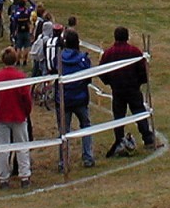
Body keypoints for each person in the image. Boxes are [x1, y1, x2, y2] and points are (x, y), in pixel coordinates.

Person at [99, 27, 155, 157]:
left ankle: (119, 141)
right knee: (139, 113)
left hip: (117, 91)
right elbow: (143, 71)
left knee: (118, 118)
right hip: (132, 89)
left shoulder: (108, 53)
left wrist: (110, 82)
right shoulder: (134, 52)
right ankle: (148, 139)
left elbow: (101, 71)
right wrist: (138, 82)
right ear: (127, 37)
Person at [0, 47, 32, 189]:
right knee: (22, 146)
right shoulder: (21, 77)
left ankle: (3, 179)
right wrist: (26, 113)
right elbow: (26, 98)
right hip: (18, 116)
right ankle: (25, 176)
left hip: (1, 116)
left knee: (2, 148)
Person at [58, 30, 95, 169]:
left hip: (64, 99)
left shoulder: (59, 58)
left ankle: (63, 161)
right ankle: (87, 156)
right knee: (85, 126)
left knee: (63, 130)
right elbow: (88, 78)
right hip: (80, 98)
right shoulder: (83, 59)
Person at [11, 0, 32, 66]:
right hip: (26, 30)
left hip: (19, 30)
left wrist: (13, 31)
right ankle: (25, 60)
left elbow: (14, 21)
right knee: (26, 47)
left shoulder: (17, 13)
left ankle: (18, 61)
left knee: (18, 47)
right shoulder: (27, 11)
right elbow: (34, 6)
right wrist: (29, 0)